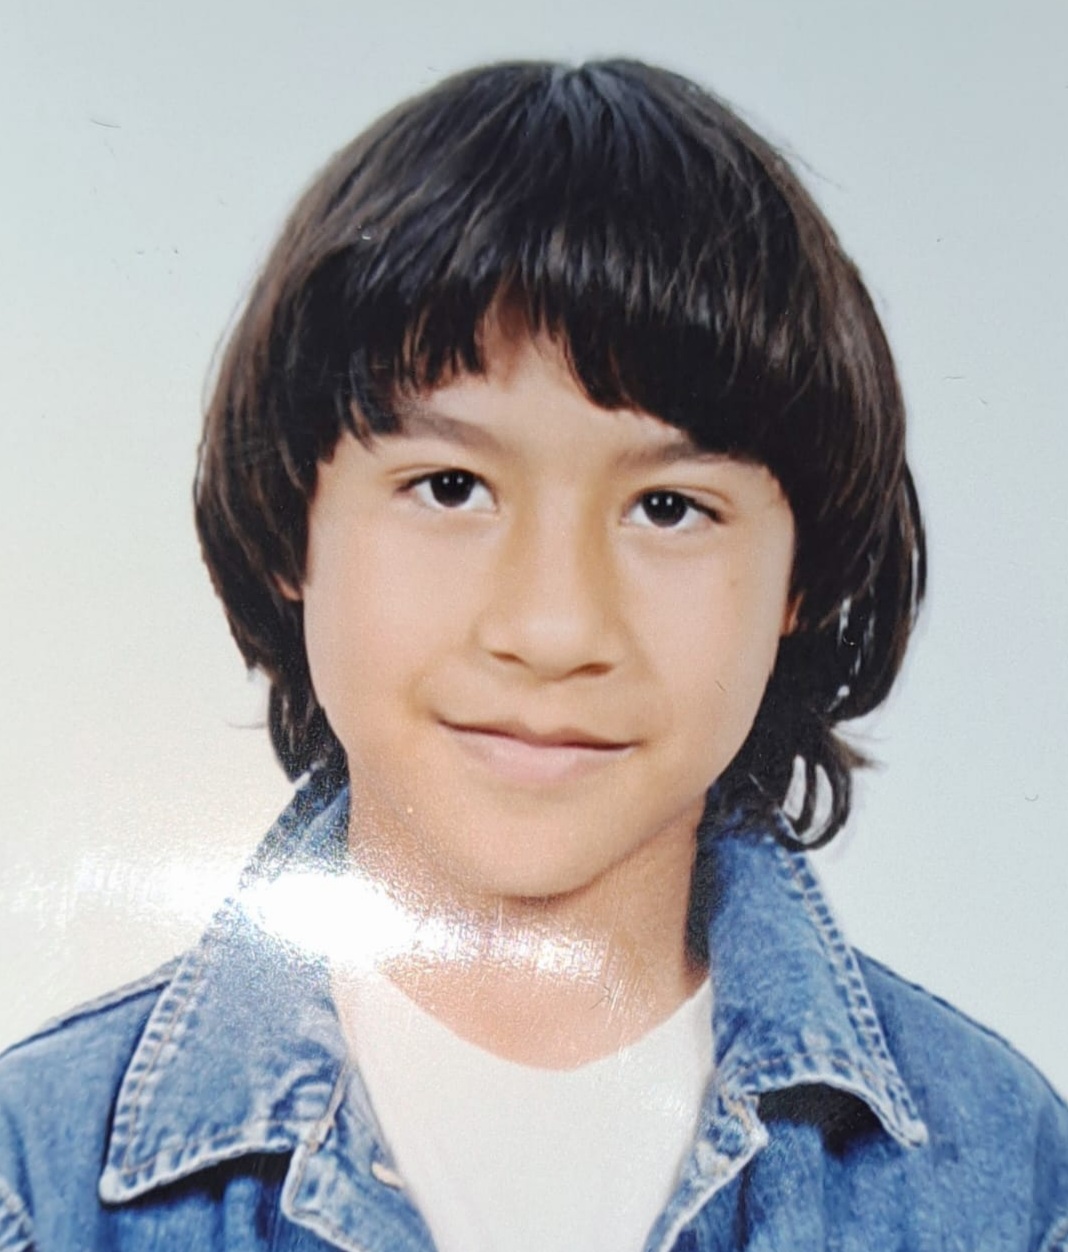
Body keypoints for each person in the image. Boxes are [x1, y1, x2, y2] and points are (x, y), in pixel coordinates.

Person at [1, 58, 1065, 1252]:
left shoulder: (1012, 1187)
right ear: (292, 520)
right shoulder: (35, 1184)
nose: (554, 628)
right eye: (451, 487)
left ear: (800, 579)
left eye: (669, 507)